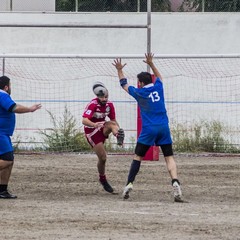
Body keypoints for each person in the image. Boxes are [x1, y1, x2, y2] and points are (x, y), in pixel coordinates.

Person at [112, 53, 184, 202]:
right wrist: (151, 64)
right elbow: (159, 77)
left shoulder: (140, 92)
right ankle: (175, 182)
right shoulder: (159, 87)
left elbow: (123, 84)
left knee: (138, 156)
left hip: (149, 129)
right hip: (163, 127)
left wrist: (119, 69)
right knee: (169, 157)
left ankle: (129, 184)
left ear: (140, 83)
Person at [0, 76, 42, 199]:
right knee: (7, 160)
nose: (11, 88)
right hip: (0, 134)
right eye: (10, 85)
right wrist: (30, 109)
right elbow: (13, 107)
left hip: (4, 134)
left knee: (10, 161)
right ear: (6, 87)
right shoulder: (2, 95)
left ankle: (2, 190)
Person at [82, 82, 124, 194]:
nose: (104, 99)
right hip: (91, 131)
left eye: (106, 96)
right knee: (103, 158)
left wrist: (117, 130)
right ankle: (103, 179)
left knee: (111, 124)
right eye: (102, 97)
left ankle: (118, 136)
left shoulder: (109, 105)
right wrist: (94, 124)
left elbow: (113, 121)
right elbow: (84, 120)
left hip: (103, 127)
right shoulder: (92, 104)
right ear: (97, 96)